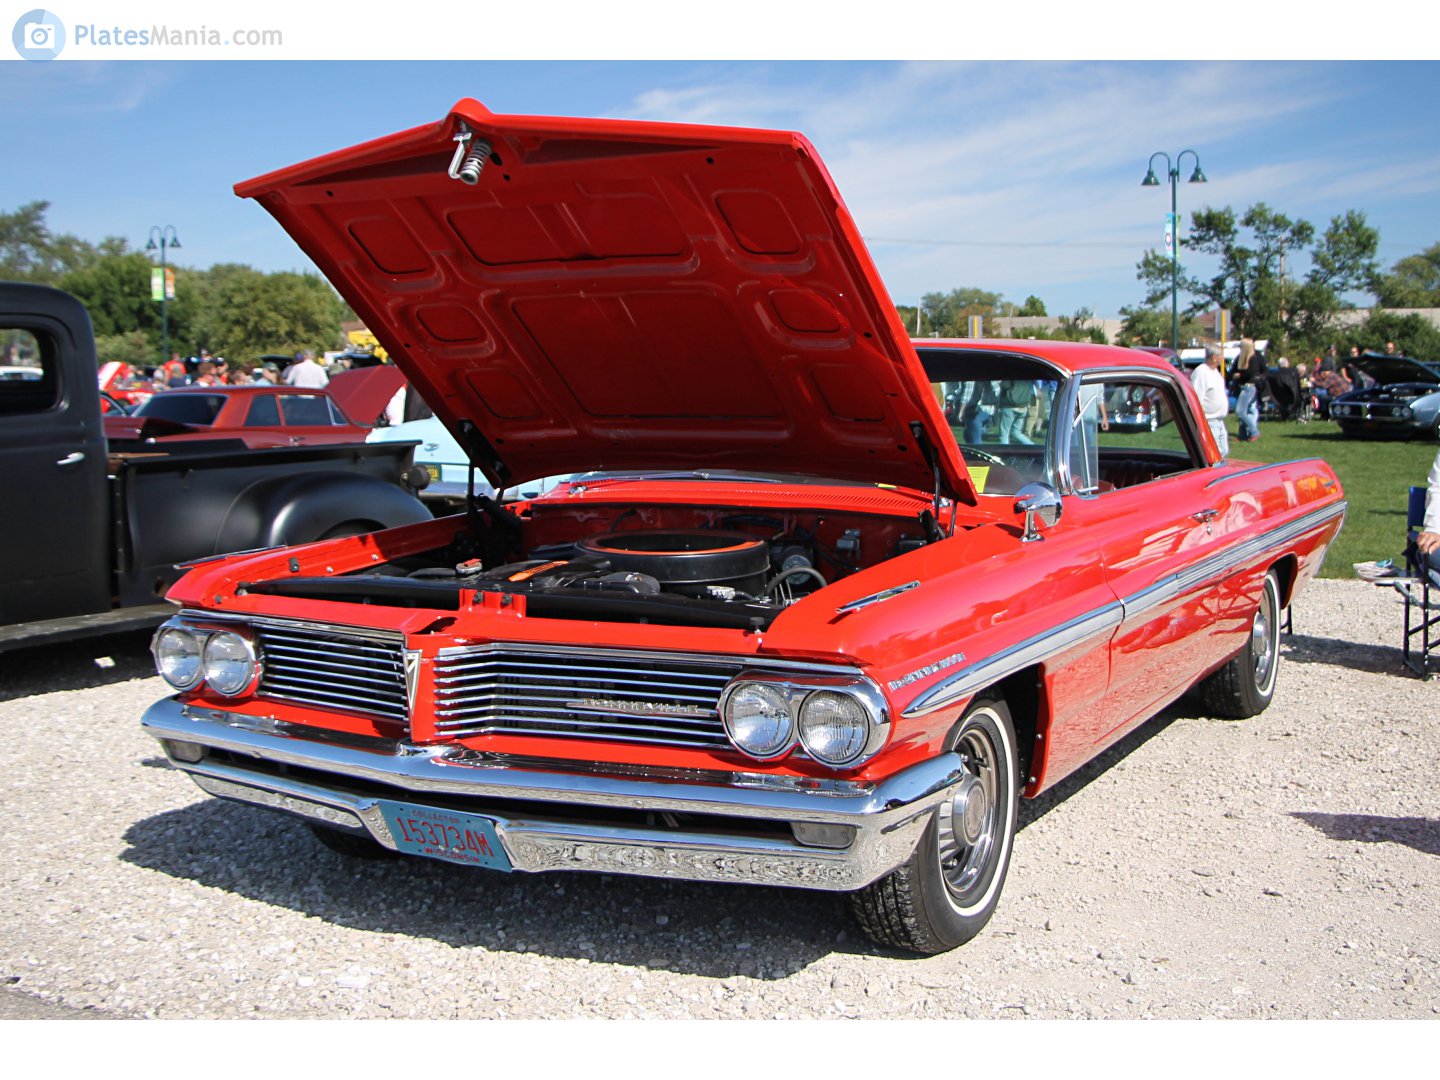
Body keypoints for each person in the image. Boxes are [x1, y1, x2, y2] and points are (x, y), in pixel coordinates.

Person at [1191, 346, 1229, 459]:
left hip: (1219, 420)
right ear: (1214, 357)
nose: (1223, 358)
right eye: (1221, 355)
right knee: (1214, 454)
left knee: (1223, 450)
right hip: (1209, 420)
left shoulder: (1215, 372)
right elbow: (1195, 398)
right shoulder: (1201, 372)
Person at [1234, 338, 1265, 442]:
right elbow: (1232, 371)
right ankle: (1242, 435)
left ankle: (1254, 431)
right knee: (1245, 411)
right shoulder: (1240, 358)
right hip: (1244, 387)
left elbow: (1250, 373)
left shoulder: (1255, 358)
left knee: (1240, 411)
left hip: (1249, 387)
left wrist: (1239, 376)